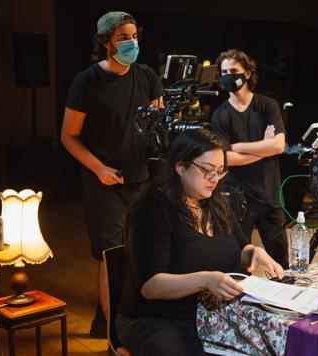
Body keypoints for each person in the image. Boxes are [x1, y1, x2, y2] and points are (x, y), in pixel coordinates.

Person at [116, 129, 284, 356]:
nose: (214, 179)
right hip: (158, 319)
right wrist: (205, 280)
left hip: (212, 314)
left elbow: (239, 248)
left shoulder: (215, 203)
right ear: (180, 167)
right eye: (207, 171)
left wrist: (254, 252)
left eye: (220, 172)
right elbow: (150, 286)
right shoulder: (153, 210)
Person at [61, 11, 163, 338]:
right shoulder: (87, 81)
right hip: (102, 180)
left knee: (137, 250)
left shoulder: (146, 76)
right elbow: (69, 136)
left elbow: (157, 124)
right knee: (111, 254)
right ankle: (114, 335)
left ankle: (109, 314)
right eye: (123, 37)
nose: (132, 42)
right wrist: (99, 169)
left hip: (140, 176)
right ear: (106, 42)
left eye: (134, 35)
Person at [211, 49, 289, 268]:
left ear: (247, 73)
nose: (228, 76)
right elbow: (225, 158)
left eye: (233, 71)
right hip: (237, 198)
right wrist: (263, 149)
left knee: (281, 262)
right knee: (240, 263)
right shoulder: (220, 114)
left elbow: (278, 145)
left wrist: (237, 146)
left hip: (269, 195)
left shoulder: (267, 106)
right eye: (224, 72)